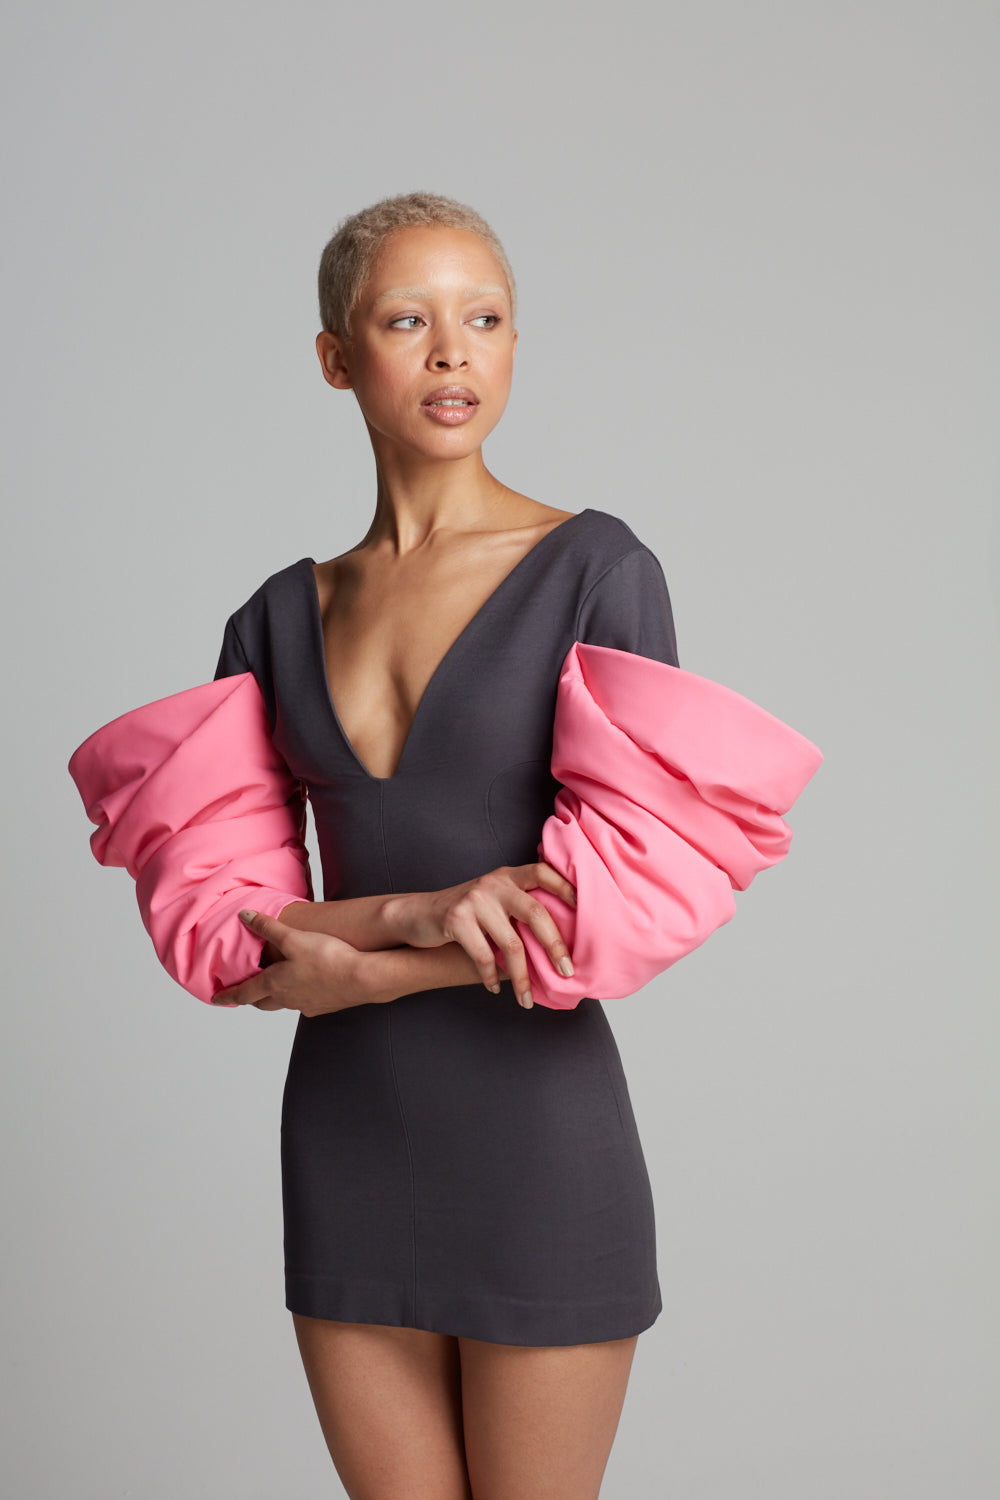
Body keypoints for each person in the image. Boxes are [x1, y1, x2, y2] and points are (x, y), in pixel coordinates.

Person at [210, 191, 681, 1499]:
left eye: (483, 318)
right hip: (348, 1141)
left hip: (538, 1138)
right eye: (406, 320)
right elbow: (238, 933)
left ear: (515, 345)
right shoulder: (270, 622)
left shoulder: (598, 572)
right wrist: (415, 918)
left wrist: (362, 972)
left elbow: (622, 906)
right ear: (336, 356)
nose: (452, 351)